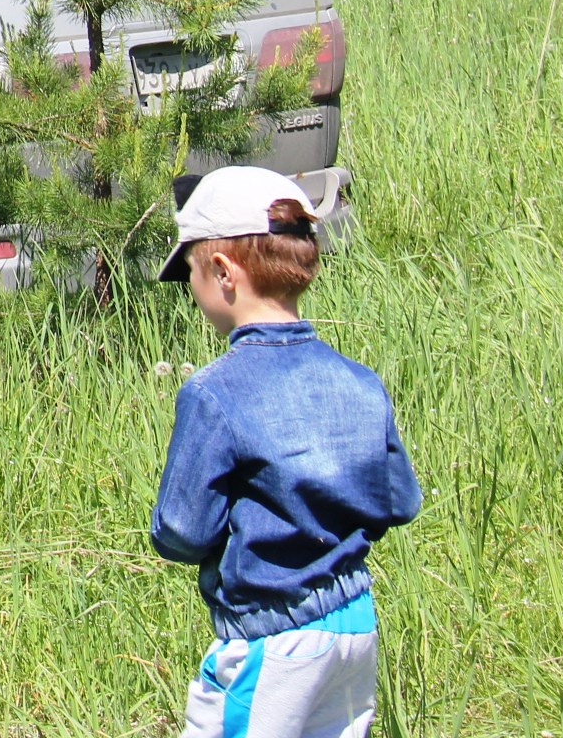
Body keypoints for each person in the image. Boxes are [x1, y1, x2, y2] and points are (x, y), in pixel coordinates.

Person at [152, 166, 422, 738]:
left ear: (222, 271)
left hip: (270, 638)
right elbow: (400, 501)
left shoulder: (213, 394)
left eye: (191, 272)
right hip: (354, 627)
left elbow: (183, 531)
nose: (192, 291)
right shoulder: (360, 381)